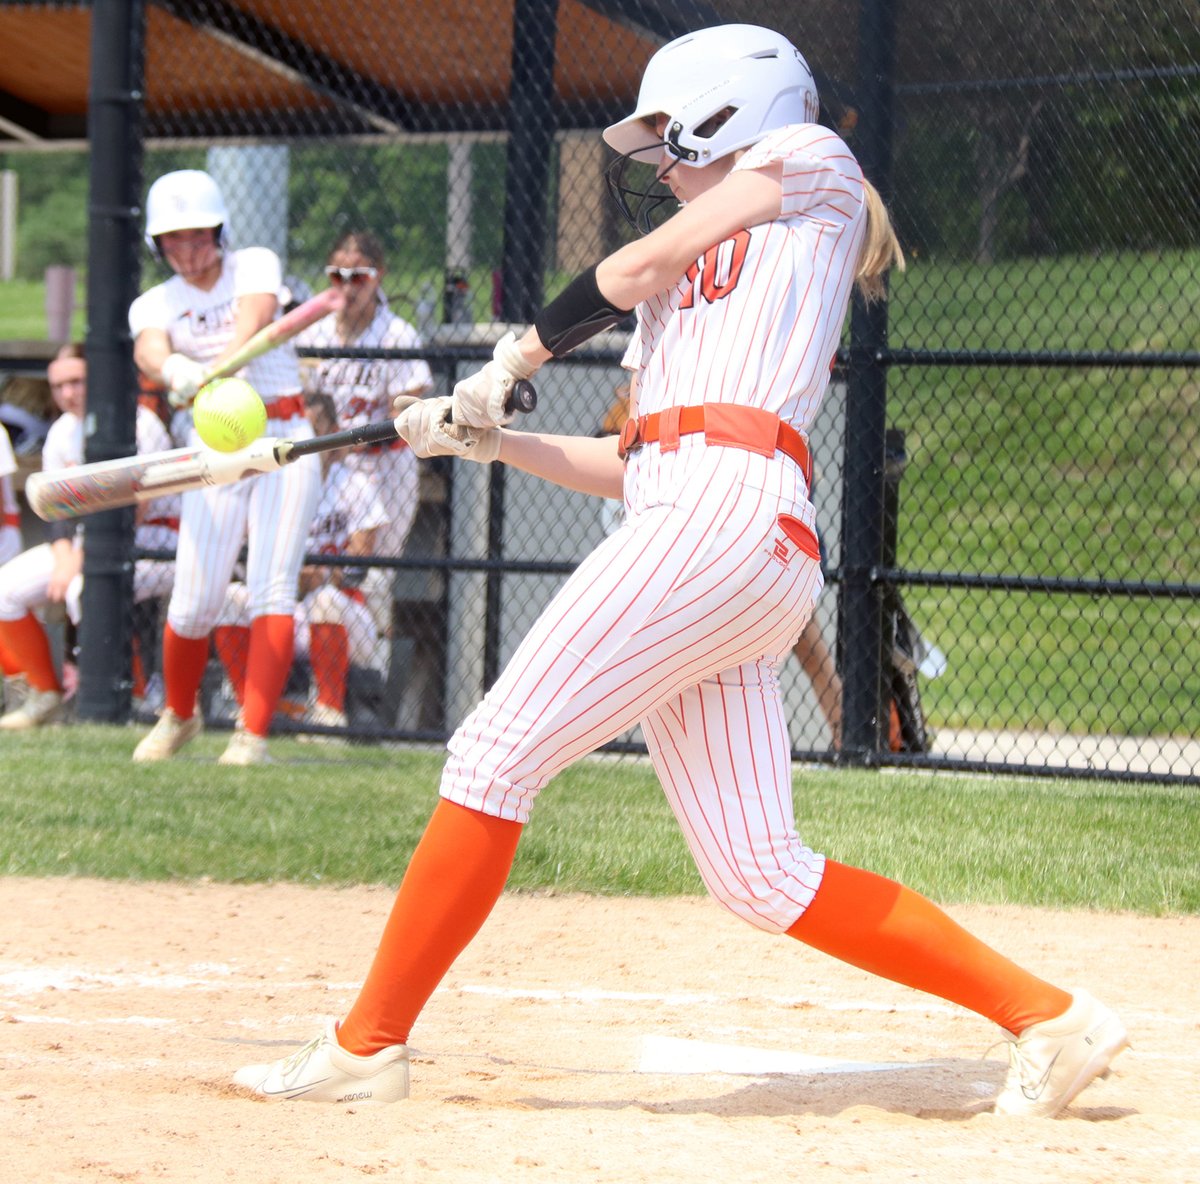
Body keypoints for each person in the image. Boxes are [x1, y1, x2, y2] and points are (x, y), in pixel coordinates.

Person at [234, 25, 1127, 1116]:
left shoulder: (809, 162)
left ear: (729, 108)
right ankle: (1054, 1016)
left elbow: (632, 269)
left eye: (668, 135)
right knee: (761, 872)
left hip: (726, 516)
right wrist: (489, 436)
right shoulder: (681, 281)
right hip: (708, 528)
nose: (656, 161)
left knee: (493, 753)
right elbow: (631, 456)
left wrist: (513, 359)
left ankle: (366, 1043)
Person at [128, 169, 323, 766]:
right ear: (156, 245)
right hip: (214, 450)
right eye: (173, 240)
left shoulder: (254, 263)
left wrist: (227, 364)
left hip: (284, 437)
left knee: (271, 586)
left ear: (219, 231)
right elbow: (149, 346)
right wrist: (174, 372)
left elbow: (257, 315)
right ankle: (179, 716)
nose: (186, 250)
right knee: (193, 598)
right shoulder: (155, 302)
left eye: (197, 236)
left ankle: (253, 735)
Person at [0, 345, 179, 729]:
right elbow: (55, 510)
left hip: (155, 542)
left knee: (85, 587)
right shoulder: (62, 431)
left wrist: (76, 563)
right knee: (5, 590)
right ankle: (44, 694)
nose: (67, 393)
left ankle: (130, 697)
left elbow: (134, 510)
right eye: (59, 385)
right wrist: (64, 557)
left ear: (97, 380)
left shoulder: (139, 421)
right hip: (86, 543)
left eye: (77, 382)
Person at [213, 393, 390, 734]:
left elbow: (358, 564)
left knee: (325, 601)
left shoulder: (354, 484)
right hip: (284, 608)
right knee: (230, 599)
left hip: (342, 614)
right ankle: (251, 710)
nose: (303, 440)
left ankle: (329, 714)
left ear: (335, 433)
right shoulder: (269, 487)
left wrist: (319, 575)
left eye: (314, 429)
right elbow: (246, 558)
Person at [295, 230, 433, 578]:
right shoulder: (313, 334)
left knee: (373, 578)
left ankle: (375, 634)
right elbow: (301, 400)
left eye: (358, 277)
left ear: (378, 275)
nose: (347, 287)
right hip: (324, 466)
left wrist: (350, 441)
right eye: (336, 276)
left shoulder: (397, 334)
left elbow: (407, 413)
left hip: (383, 465)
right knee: (316, 566)